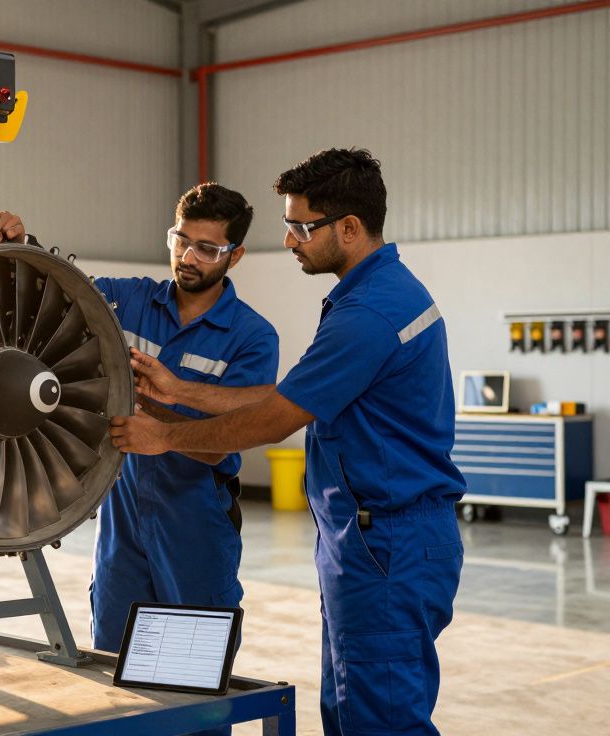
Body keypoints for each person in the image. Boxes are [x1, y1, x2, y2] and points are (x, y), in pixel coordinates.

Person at [111, 148, 465, 735]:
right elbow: (288, 395)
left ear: (348, 228)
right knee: (351, 708)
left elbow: (276, 418)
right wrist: (180, 389)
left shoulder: (368, 314)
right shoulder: (376, 294)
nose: (291, 240)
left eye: (302, 227)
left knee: (379, 719)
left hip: (387, 543)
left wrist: (164, 434)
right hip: (366, 537)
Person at [0, 181, 279, 671]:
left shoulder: (251, 337)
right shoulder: (127, 301)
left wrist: (155, 419)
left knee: (190, 675)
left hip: (196, 525)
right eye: (181, 240)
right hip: (121, 522)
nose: (188, 257)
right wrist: (22, 246)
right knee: (114, 667)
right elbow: (55, 294)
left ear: (235, 255)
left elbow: (222, 442)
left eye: (207, 248)